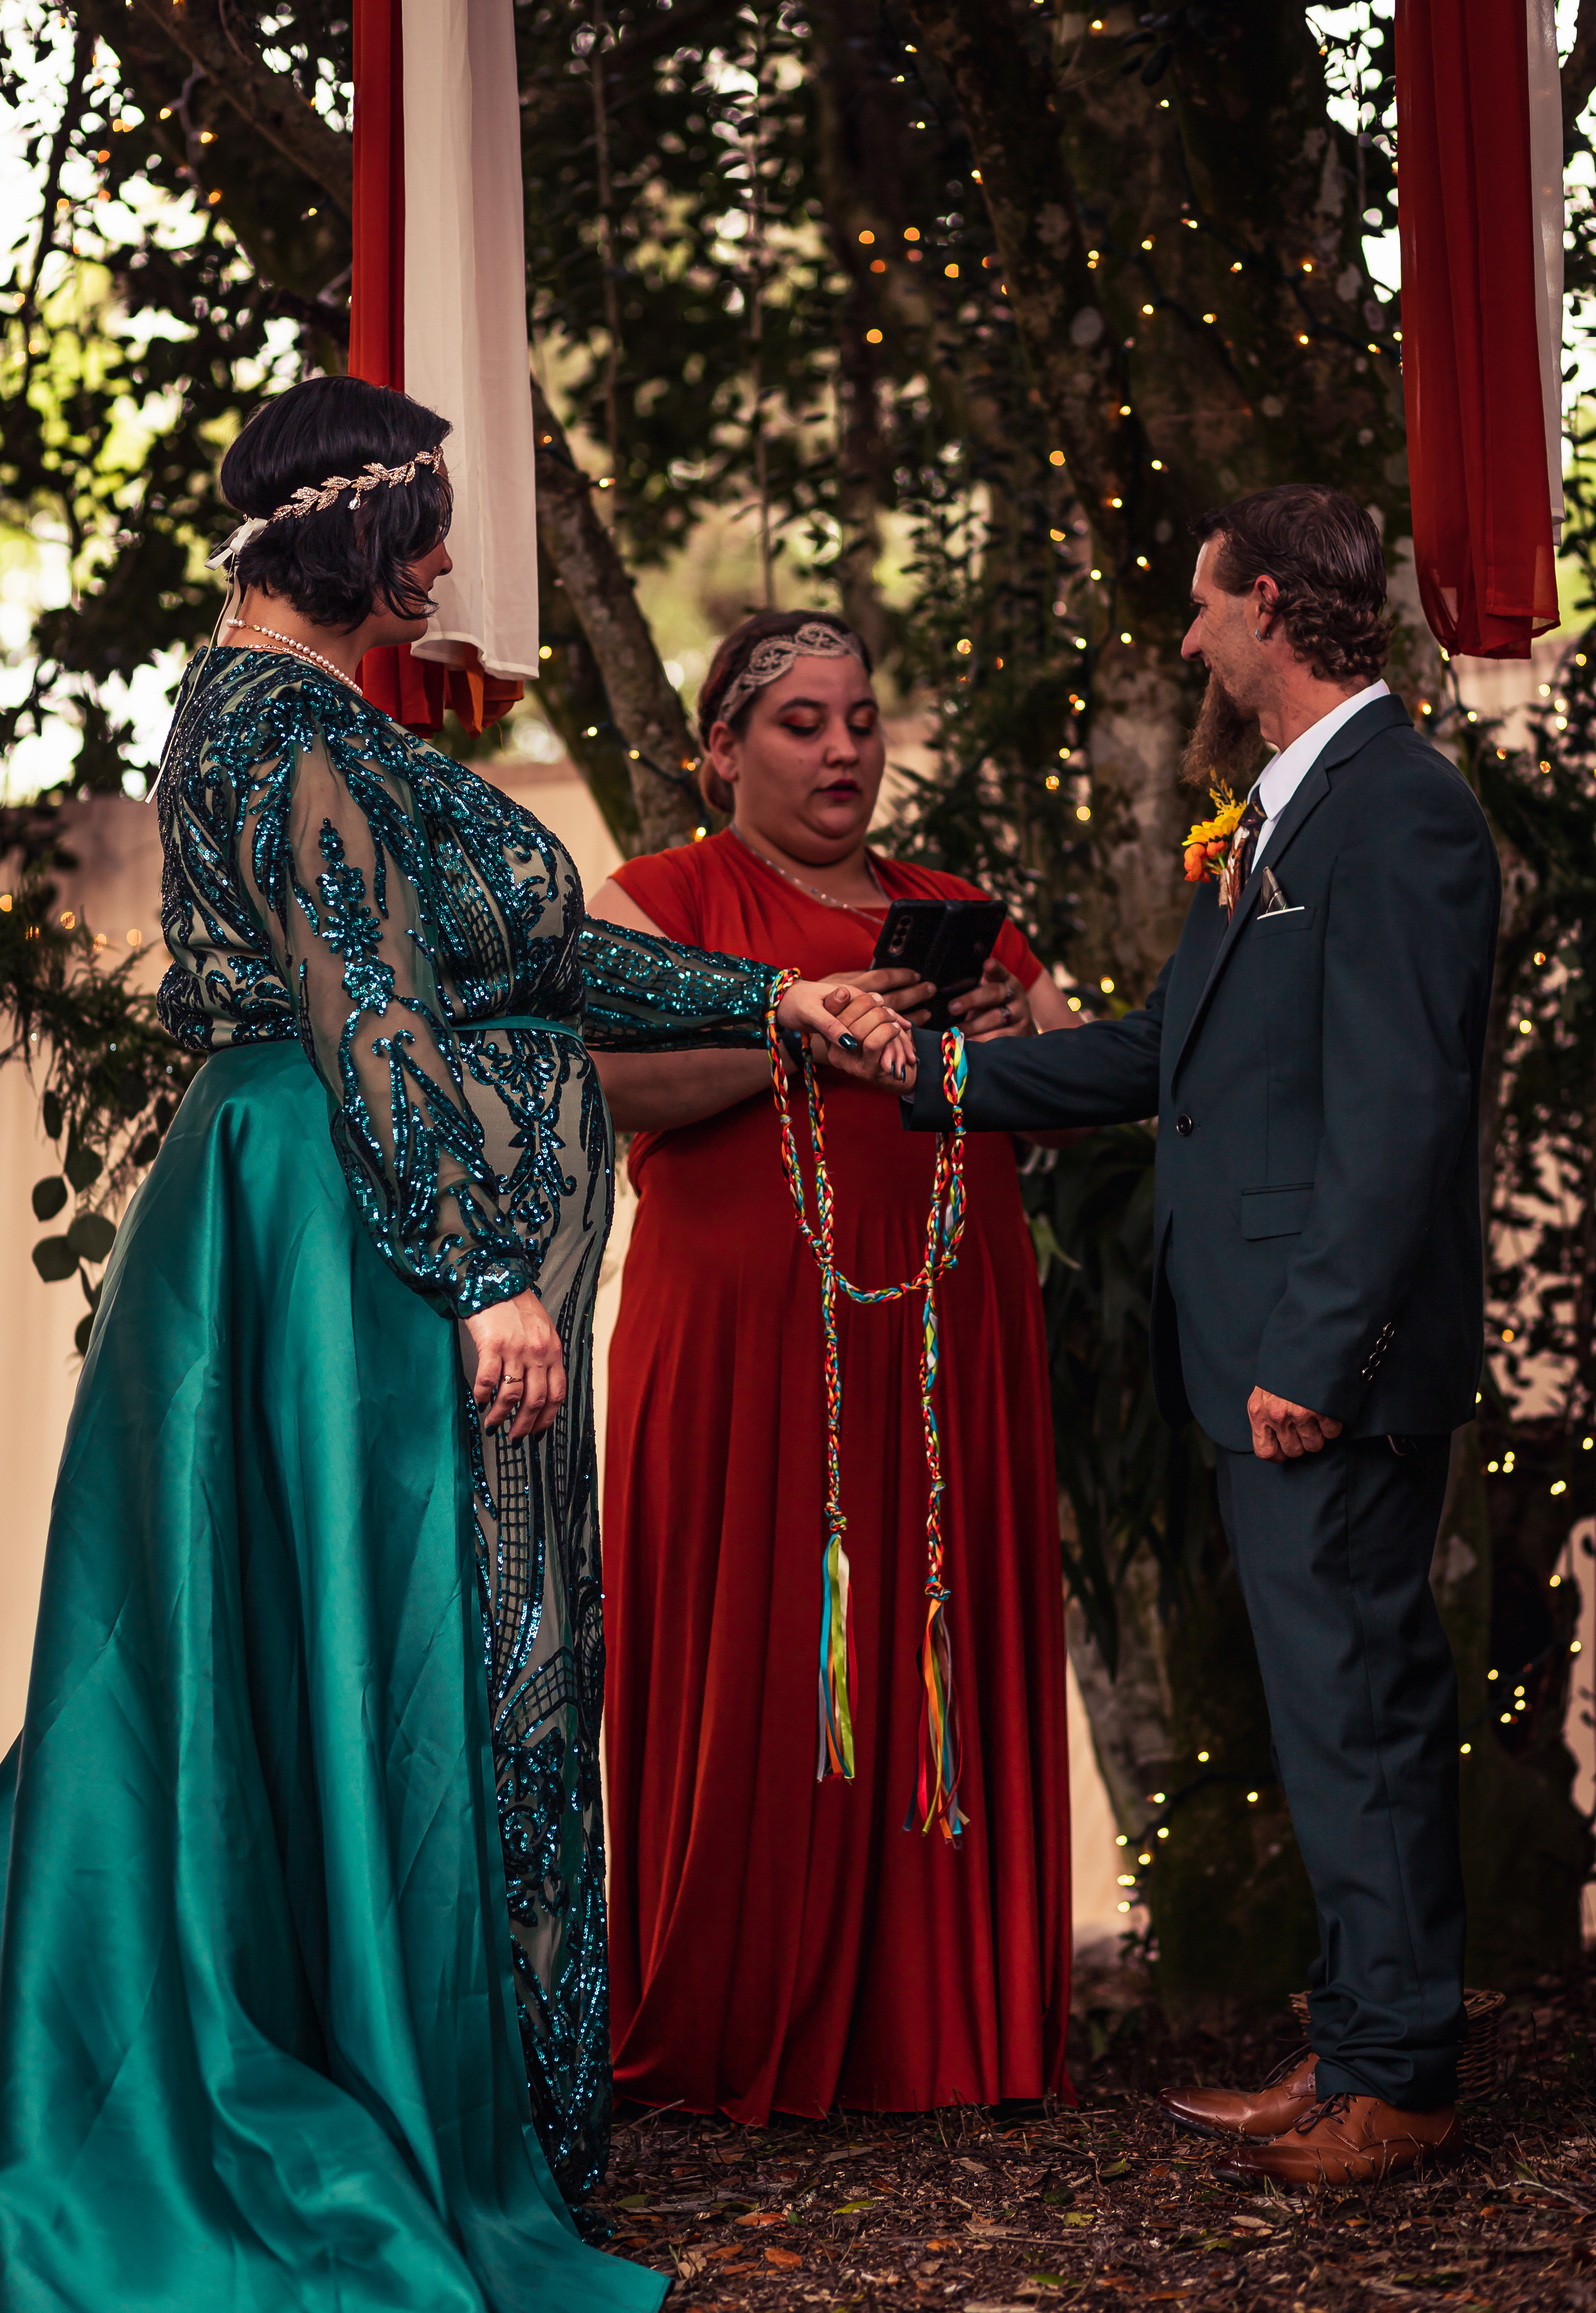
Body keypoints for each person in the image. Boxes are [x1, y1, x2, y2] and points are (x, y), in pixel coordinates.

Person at [0, 380, 909, 2310]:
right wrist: (482, 1264)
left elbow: (546, 958)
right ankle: (400, 2118)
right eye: (420, 530)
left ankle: (469, 2100)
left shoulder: (320, 718)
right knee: (428, 1649)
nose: (436, 567)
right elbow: (369, 1006)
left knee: (426, 1654)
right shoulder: (278, 726)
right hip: (345, 1240)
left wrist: (781, 1000)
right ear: (346, 539)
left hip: (345, 1217)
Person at [894, 487, 1500, 2187]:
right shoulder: (1287, 817)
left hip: (1326, 1360)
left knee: (1363, 1704)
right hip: (1270, 1343)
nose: (1186, 636)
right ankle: (1358, 2040)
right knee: (1326, 1708)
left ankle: (1402, 2086)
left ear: (1272, 610)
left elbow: (1398, 1112)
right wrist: (945, 1085)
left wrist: (1314, 1352)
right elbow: (1173, 1046)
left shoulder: (1400, 816)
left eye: (1201, 604)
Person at [588, 609, 1078, 2122]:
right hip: (742, 1358)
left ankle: (949, 2035)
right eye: (803, 724)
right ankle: (734, 2032)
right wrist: (797, 1038)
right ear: (723, 749)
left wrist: (1001, 1034)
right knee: (757, 1664)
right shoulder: (662, 894)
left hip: (942, 1351)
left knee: (934, 1652)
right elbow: (601, 1083)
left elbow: (1058, 1093)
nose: (846, 750)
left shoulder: (954, 909)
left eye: (862, 718)